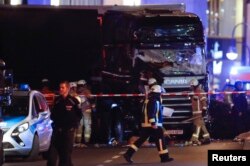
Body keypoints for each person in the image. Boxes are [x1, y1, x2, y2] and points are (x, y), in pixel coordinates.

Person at [123, 85, 174, 163]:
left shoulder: (148, 100)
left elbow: (150, 111)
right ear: (157, 92)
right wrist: (153, 123)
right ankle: (164, 158)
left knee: (141, 140)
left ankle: (128, 154)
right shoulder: (154, 101)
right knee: (160, 140)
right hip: (153, 125)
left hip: (146, 125)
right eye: (160, 93)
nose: (161, 94)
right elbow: (151, 113)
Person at [47, 81, 82, 166]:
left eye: (63, 88)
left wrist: (73, 125)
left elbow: (79, 115)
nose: (60, 89)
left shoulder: (73, 101)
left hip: (68, 132)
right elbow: (53, 114)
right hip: (57, 131)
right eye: (60, 88)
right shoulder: (57, 100)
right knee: (51, 157)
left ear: (68, 88)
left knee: (65, 157)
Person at [188, 79, 210, 145]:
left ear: (194, 85)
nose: (190, 87)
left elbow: (204, 103)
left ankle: (194, 139)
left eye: (191, 85)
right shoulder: (194, 92)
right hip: (195, 113)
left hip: (199, 113)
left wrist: (204, 111)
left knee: (197, 126)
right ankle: (207, 138)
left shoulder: (200, 92)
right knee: (202, 126)